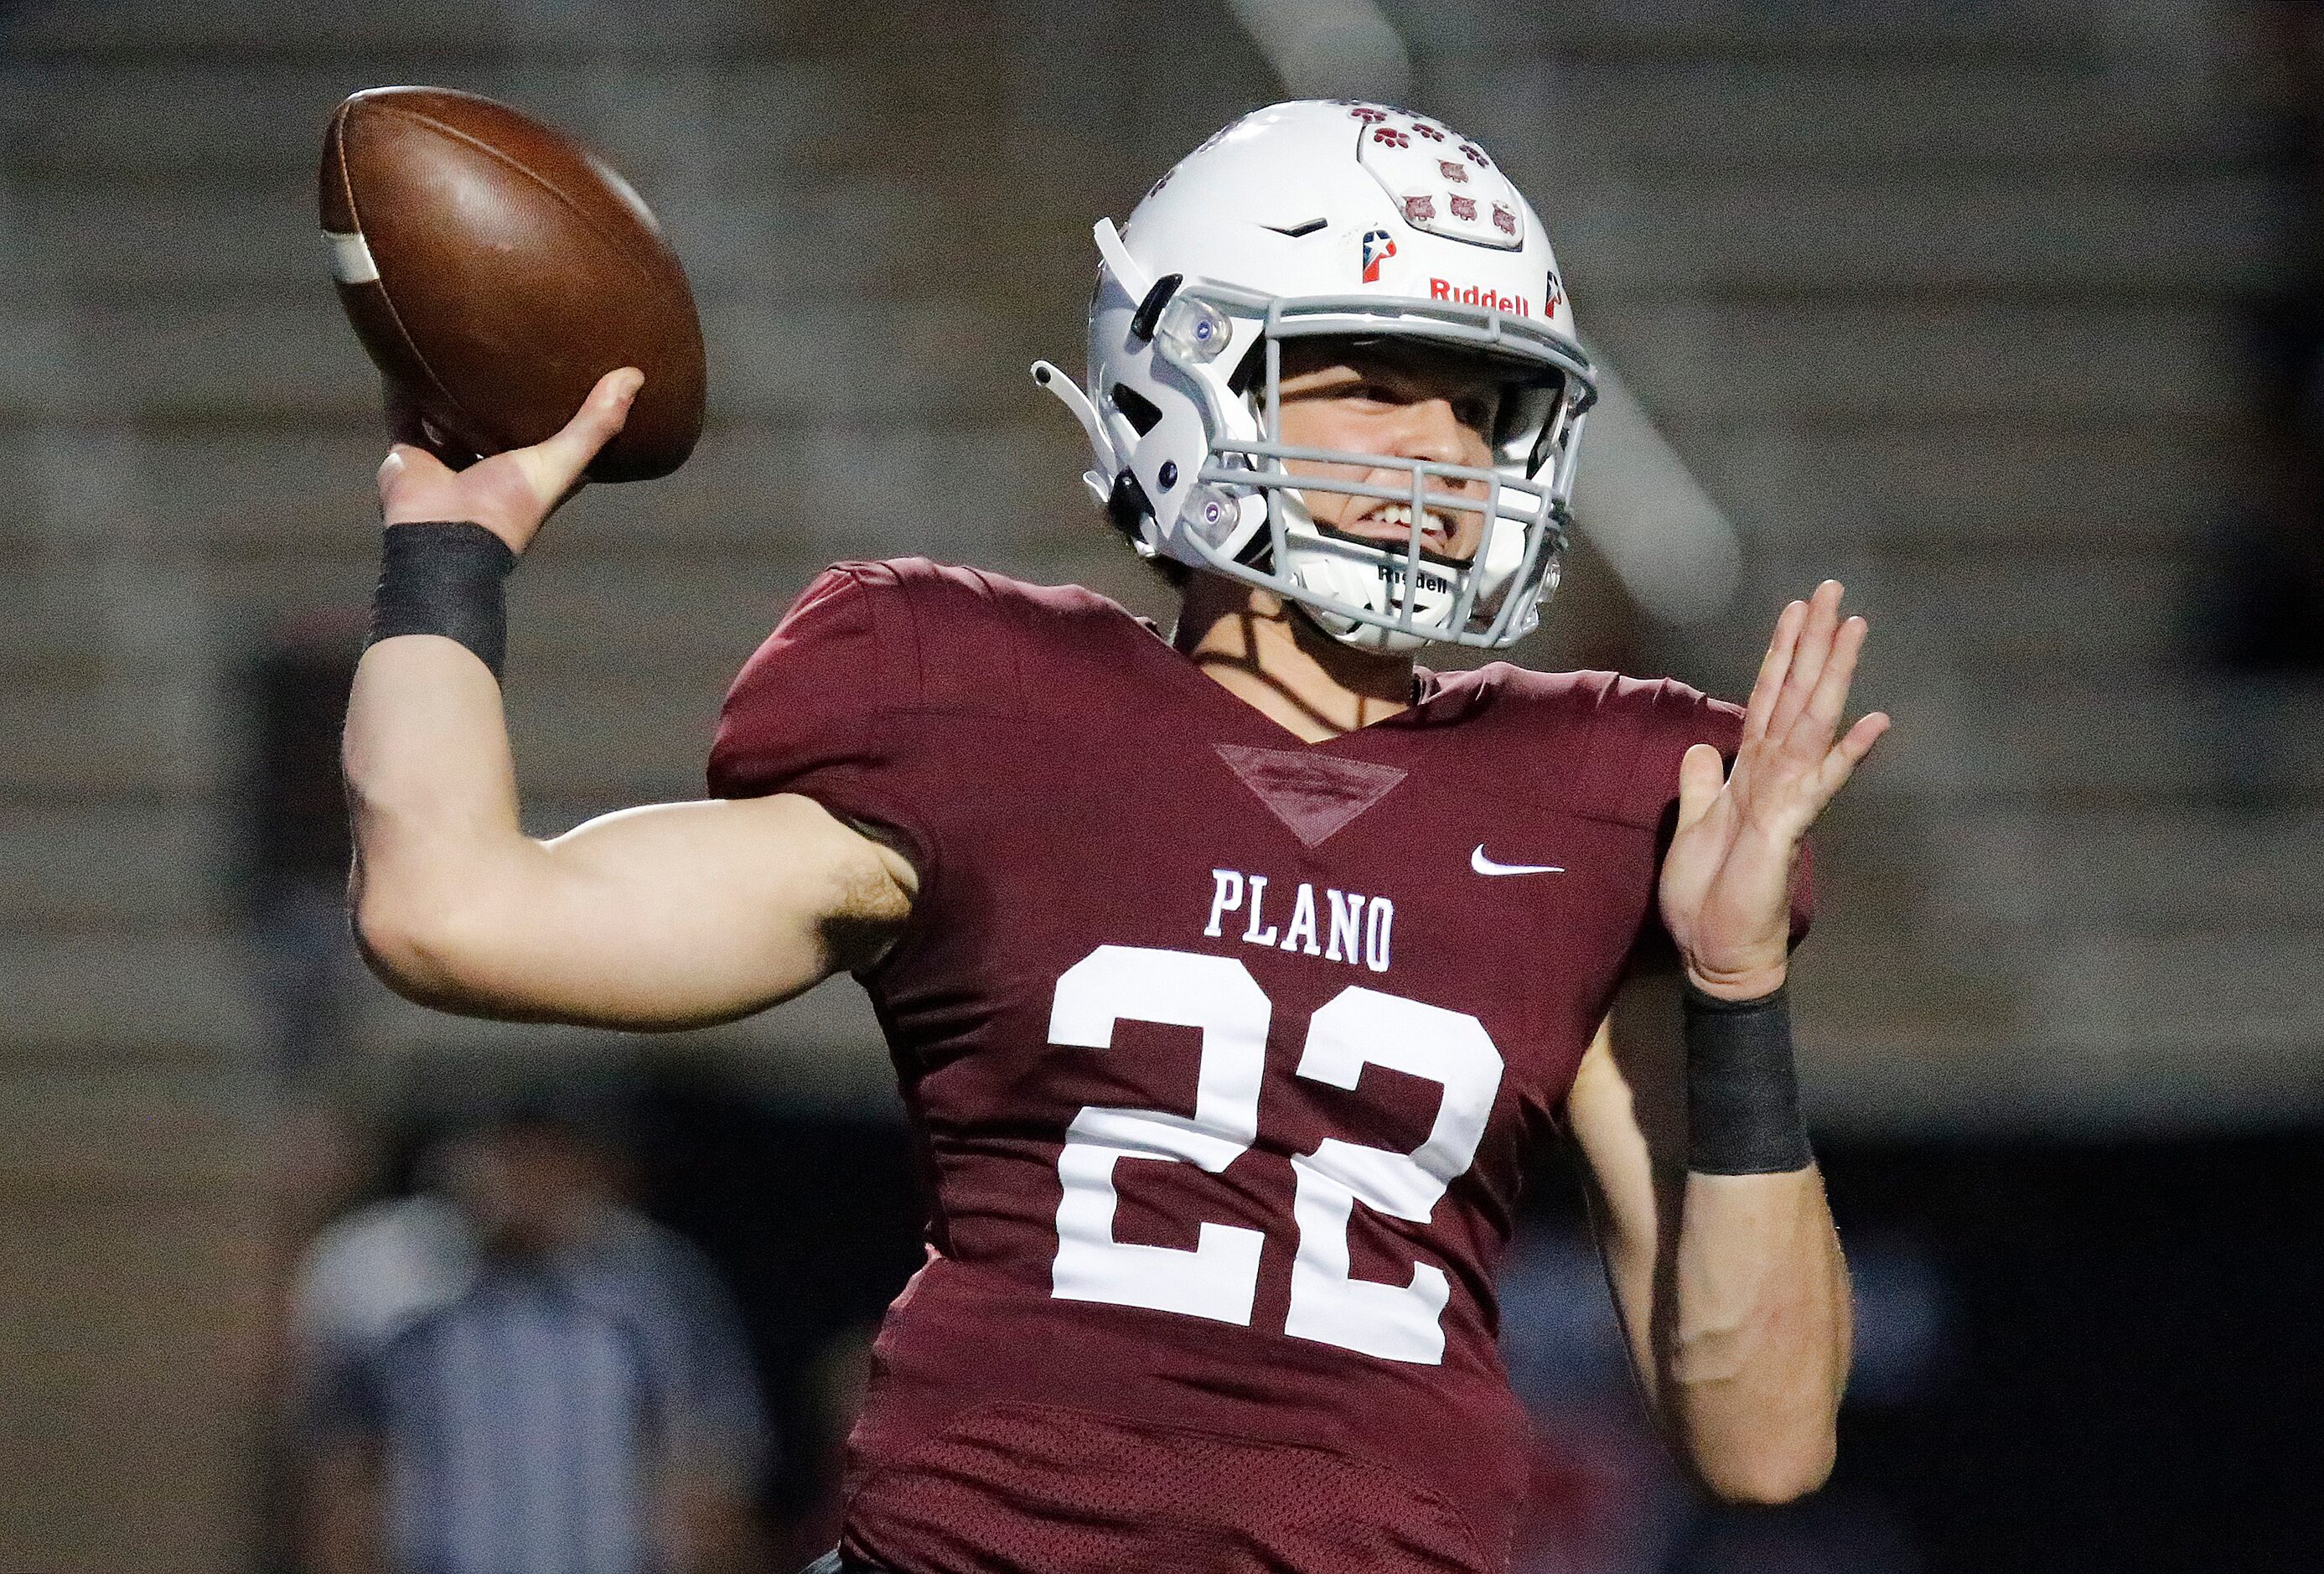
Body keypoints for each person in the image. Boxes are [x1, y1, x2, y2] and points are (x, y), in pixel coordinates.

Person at [340, 101, 1887, 1573]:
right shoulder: (982, 710)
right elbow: (455, 909)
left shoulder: (1598, 799)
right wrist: (446, 557)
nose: (1439, 456)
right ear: (1190, 375)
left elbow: (1761, 1438)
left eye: (1478, 404)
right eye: (1365, 378)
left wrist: (1736, 988)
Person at [290, 1094, 769, 1574]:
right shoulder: (389, 1283)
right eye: (511, 1155)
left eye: (553, 1157)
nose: (529, 1180)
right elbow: (340, 1476)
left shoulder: (658, 1283)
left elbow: (715, 1472)